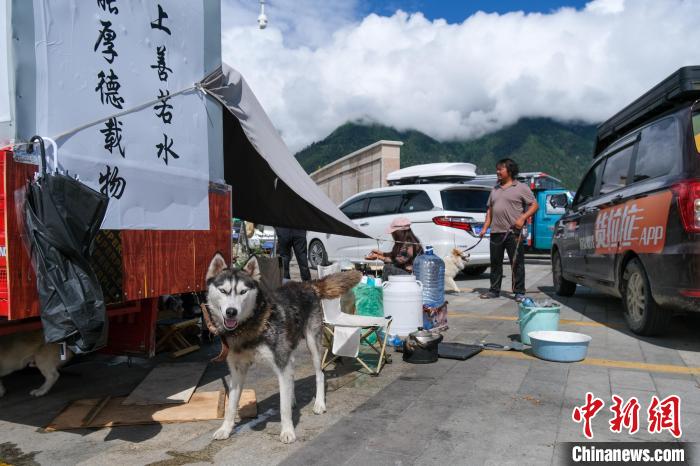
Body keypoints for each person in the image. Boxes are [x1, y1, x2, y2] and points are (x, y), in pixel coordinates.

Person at [479, 158, 538, 302]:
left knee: (517, 263)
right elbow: (490, 210)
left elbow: (534, 205)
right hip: (495, 232)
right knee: (495, 263)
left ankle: (519, 292)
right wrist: (485, 227)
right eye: (497, 169)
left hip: (513, 233)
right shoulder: (495, 189)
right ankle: (494, 290)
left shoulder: (521, 187)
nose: (497, 172)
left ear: (509, 171)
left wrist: (522, 218)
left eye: (501, 169)